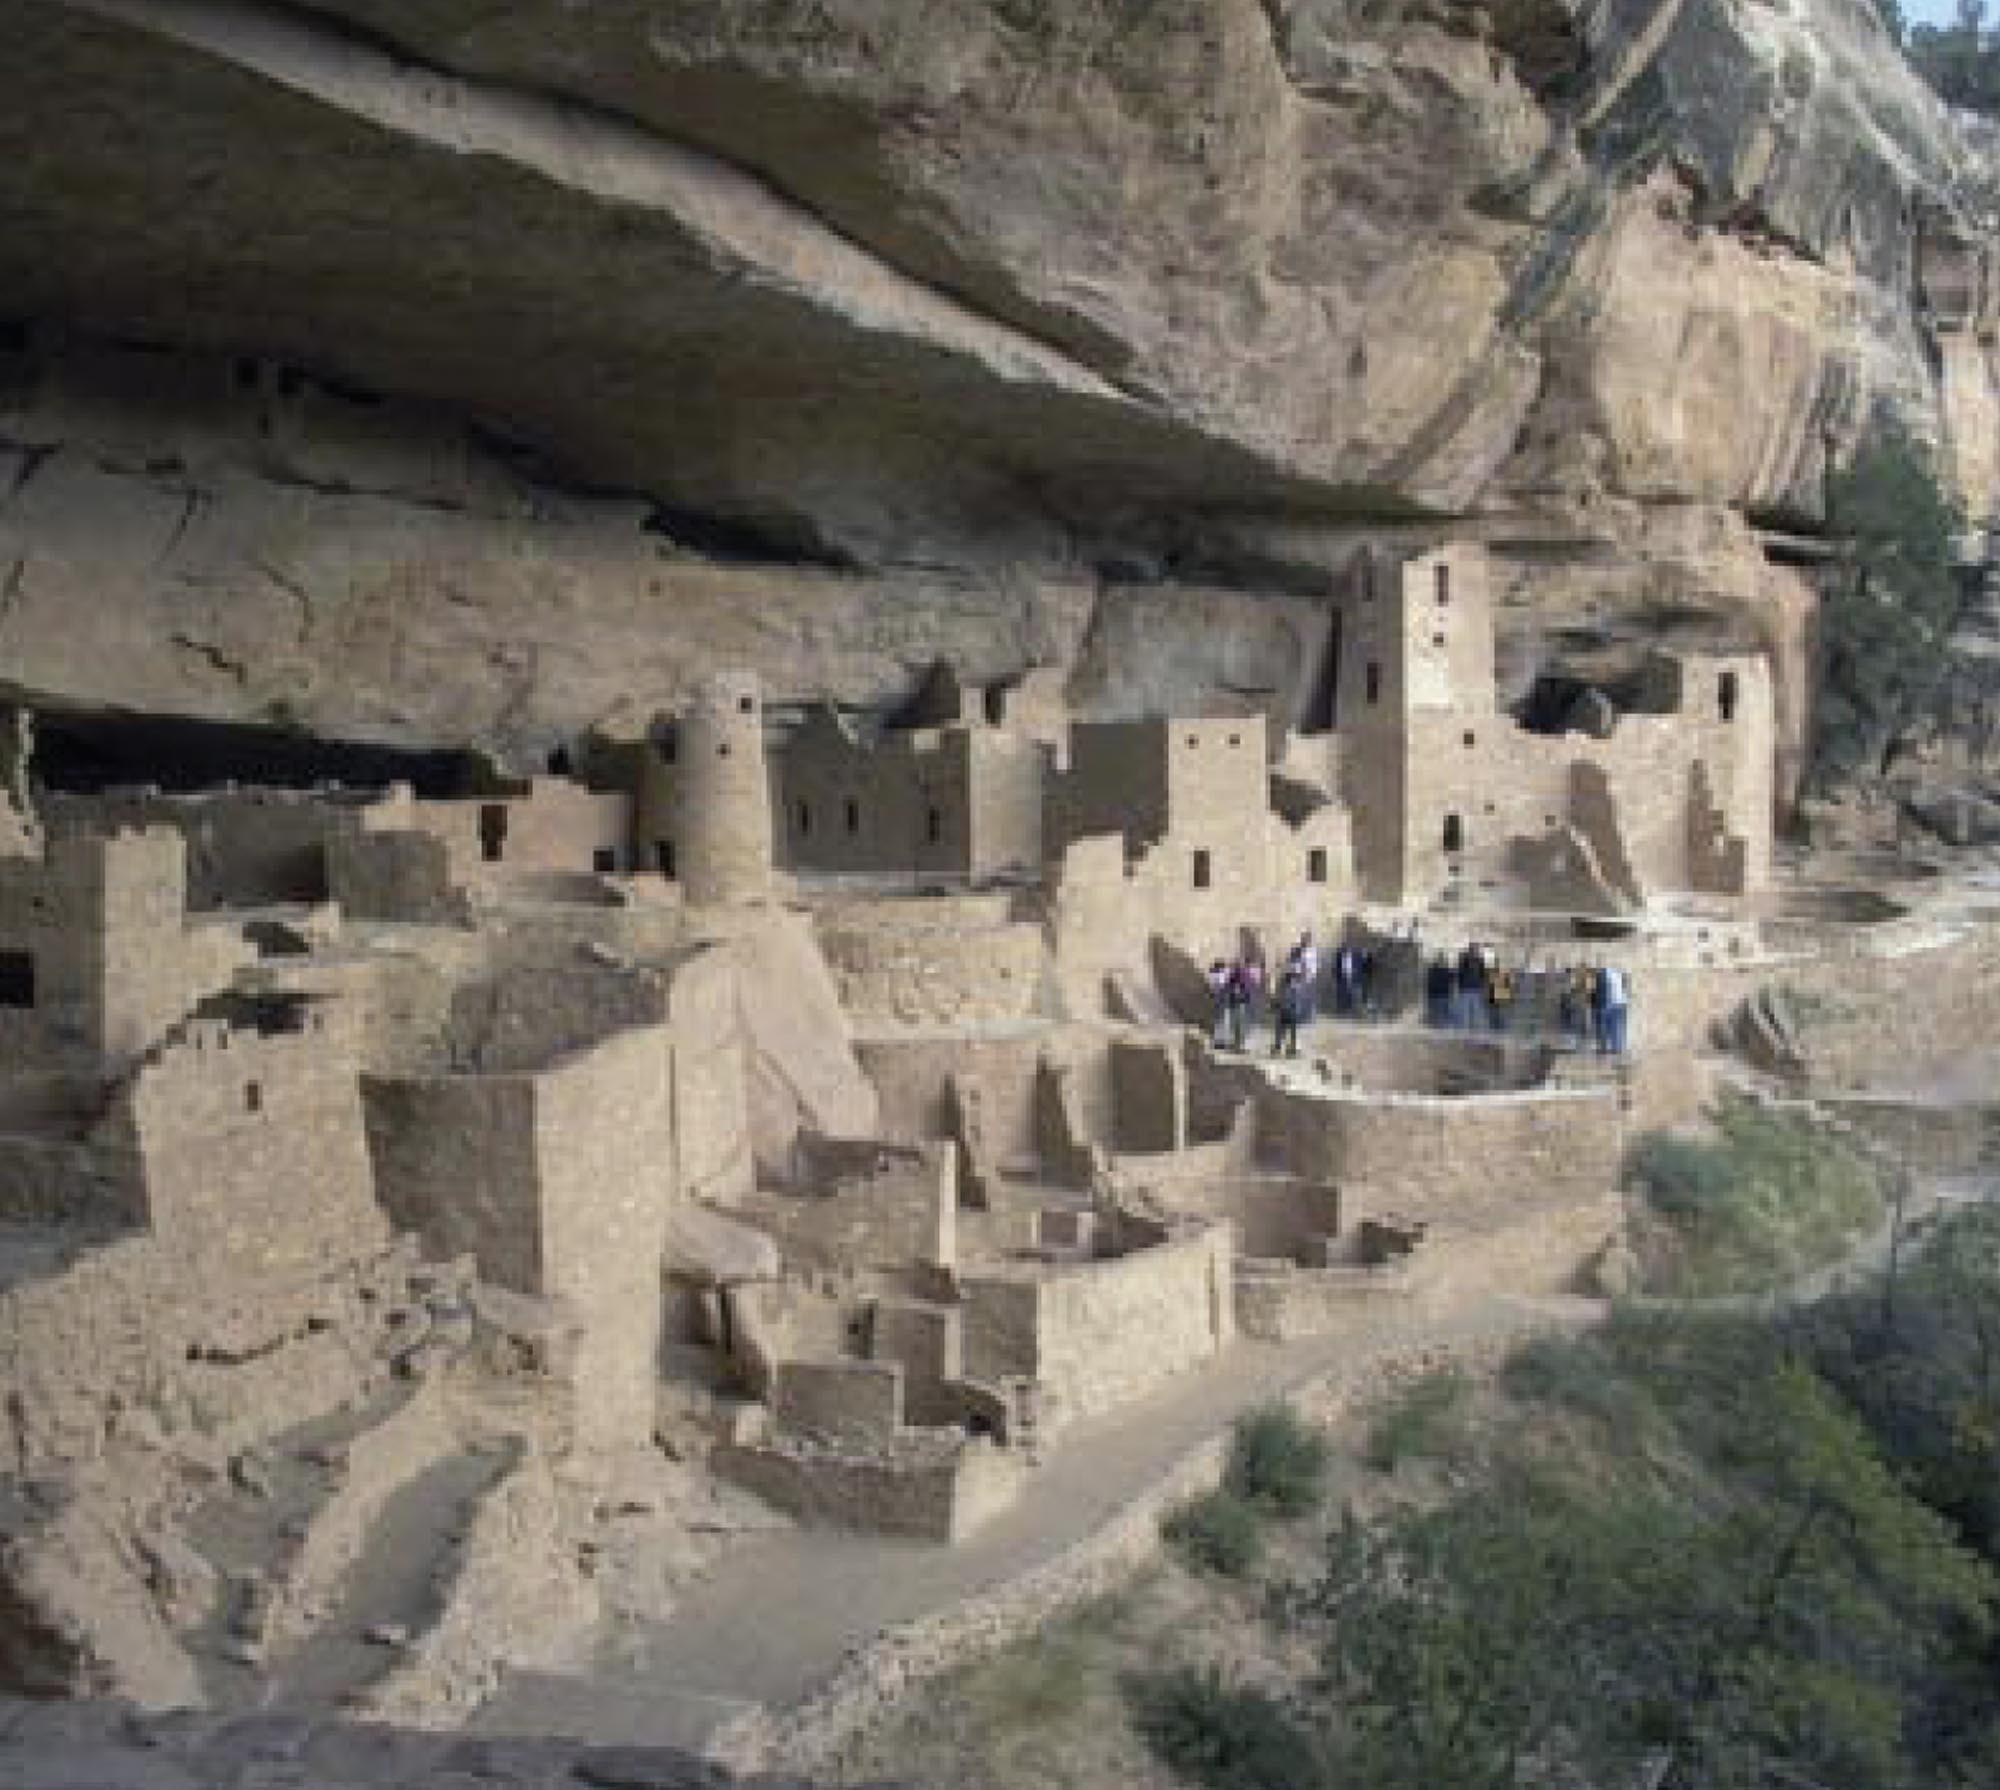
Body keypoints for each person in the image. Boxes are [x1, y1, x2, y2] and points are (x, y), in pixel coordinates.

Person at [1597, 960, 1631, 1055]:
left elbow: (1604, 990)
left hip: (1612, 1003)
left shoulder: (1604, 973)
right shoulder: (1620, 972)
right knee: (1617, 1026)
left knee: (1611, 1027)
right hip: (1620, 1002)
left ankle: (1614, 1048)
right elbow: (1625, 986)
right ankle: (1617, 1048)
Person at [1289, 932, 1321, 1026]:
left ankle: (1309, 1016)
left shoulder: (1313, 952)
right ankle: (1299, 1017)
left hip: (1310, 977)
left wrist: (1311, 972)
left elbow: (1315, 965)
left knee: (1309, 997)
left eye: (1307, 939)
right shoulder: (1296, 950)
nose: (1305, 941)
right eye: (1304, 939)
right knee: (1298, 997)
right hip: (1298, 977)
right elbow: (1293, 962)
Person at [1454, 941, 1487, 1030]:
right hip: (1468, 989)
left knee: (1475, 1013)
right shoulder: (1465, 960)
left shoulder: (1479, 961)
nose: (1474, 951)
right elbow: (1460, 974)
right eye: (1473, 948)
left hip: (1474, 989)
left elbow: (1483, 975)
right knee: (1467, 1013)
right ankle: (1466, 1032)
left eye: (1475, 948)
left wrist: (1483, 987)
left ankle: (1475, 1032)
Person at [1272, 967, 1303, 1058]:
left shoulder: (1282, 987)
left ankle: (1280, 1048)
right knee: (1289, 1031)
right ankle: (1289, 1048)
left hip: (1285, 1011)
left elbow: (1278, 1000)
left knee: (1282, 1031)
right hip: (1289, 1011)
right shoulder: (1294, 987)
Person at [1207, 959, 1233, 1049]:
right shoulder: (1220, 976)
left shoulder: (1212, 975)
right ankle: (1223, 1041)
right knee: (1224, 1020)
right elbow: (1224, 985)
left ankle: (1218, 1041)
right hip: (1222, 999)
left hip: (1215, 999)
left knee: (1218, 1021)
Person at [1333, 940, 1362, 1018]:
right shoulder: (1339, 955)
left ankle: (1353, 1012)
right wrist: (1337, 976)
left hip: (1353, 977)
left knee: (1353, 995)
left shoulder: (1356, 954)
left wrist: (1357, 973)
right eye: (1343, 947)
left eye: (1346, 946)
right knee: (1342, 995)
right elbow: (1336, 966)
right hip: (1342, 978)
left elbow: (1360, 966)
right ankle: (1343, 1012)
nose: (1345, 948)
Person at [1425, 953, 1455, 1029]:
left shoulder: (1432, 970)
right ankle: (1440, 1029)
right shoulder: (1446, 971)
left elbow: (1429, 983)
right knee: (1440, 1017)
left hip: (1439, 996)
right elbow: (1451, 982)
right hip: (1440, 995)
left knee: (1438, 1017)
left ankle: (1438, 1029)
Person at [1488, 960, 1517, 1034]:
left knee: (1503, 1023)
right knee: (1496, 1023)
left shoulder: (1506, 975)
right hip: (1496, 1002)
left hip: (1503, 1001)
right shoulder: (1493, 975)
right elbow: (1491, 987)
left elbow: (1511, 987)